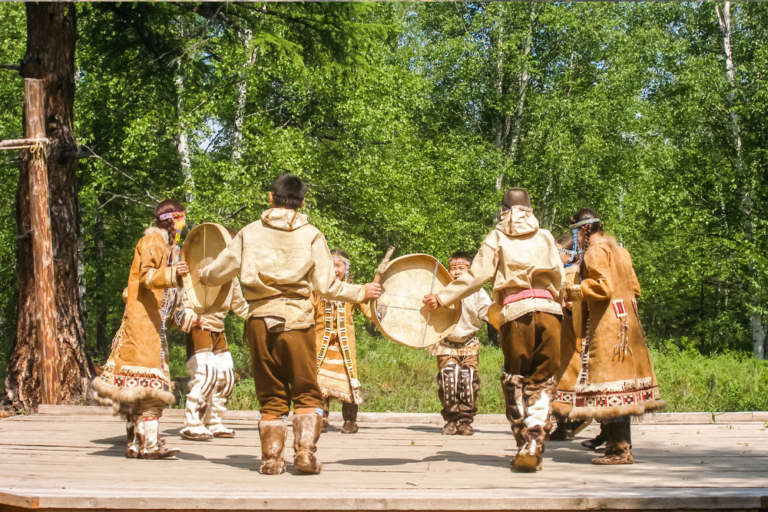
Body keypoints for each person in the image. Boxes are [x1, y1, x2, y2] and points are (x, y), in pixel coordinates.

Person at [199, 173, 381, 475]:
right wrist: (361, 291)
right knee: (306, 392)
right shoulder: (311, 234)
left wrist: (202, 274)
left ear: (271, 197)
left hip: (258, 320)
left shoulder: (248, 233)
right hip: (297, 322)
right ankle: (305, 455)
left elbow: (217, 273)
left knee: (270, 393)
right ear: (303, 202)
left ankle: (272, 460)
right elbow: (326, 286)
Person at [424, 188, 565, 472]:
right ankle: (536, 439)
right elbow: (559, 277)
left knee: (516, 378)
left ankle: (524, 441)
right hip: (550, 312)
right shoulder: (546, 235)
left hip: (517, 314)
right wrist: (558, 308)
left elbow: (477, 276)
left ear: (503, 211)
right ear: (531, 210)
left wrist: (442, 297)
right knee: (544, 379)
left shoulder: (497, 236)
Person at [564, 208, 665, 465]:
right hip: (627, 325)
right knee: (621, 388)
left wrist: (573, 290)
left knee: (608, 387)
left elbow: (603, 287)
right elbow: (636, 289)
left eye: (576, 230)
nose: (576, 236)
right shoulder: (621, 252)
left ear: (586, 230)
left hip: (609, 328)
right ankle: (618, 445)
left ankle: (619, 451)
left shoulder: (596, 252)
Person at [93, 199, 190, 459]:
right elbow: (147, 277)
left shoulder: (169, 249)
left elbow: (166, 301)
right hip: (141, 330)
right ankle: (149, 445)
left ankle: (136, 443)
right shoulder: (152, 242)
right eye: (182, 218)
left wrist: (189, 320)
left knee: (139, 389)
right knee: (148, 390)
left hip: (150, 328)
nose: (184, 223)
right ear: (173, 220)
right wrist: (172, 274)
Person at [177, 270, 250, 441]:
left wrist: (259, 316)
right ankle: (193, 422)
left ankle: (213, 421)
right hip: (199, 324)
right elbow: (184, 296)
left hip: (218, 328)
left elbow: (239, 305)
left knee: (227, 377)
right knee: (206, 375)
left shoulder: (230, 274)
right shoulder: (197, 263)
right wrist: (187, 317)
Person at [428, 251, 492, 436]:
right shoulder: (440, 291)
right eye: (453, 268)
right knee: (448, 379)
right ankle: (451, 419)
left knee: (468, 380)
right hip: (446, 342)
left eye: (461, 268)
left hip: (469, 342)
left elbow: (489, 312)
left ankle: (465, 421)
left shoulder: (478, 292)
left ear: (470, 270)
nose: (456, 273)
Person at [313, 248, 373, 434]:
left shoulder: (354, 291)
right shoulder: (316, 290)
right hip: (321, 342)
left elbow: (370, 311)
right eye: (331, 266)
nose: (335, 269)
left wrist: (375, 299)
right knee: (317, 379)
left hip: (344, 346)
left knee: (348, 380)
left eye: (338, 265)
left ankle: (350, 420)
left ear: (346, 268)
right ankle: (320, 416)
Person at [551, 233, 589, 441]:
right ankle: (565, 425)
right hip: (562, 334)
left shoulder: (573, 275)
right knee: (562, 378)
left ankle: (571, 423)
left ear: (568, 255)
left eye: (557, 250)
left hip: (572, 334)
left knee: (567, 378)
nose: (554, 254)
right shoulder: (561, 273)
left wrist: (570, 306)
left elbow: (574, 304)